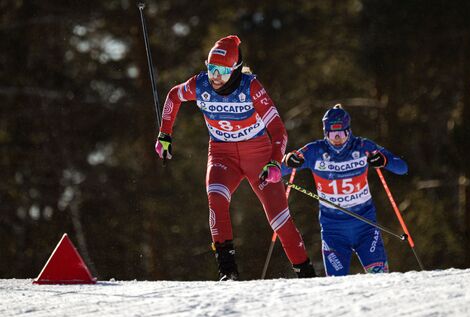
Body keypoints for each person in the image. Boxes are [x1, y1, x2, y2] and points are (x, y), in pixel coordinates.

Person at [155, 35, 316, 280]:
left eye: (222, 70)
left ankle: (306, 272)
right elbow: (173, 96)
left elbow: (278, 130)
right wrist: (164, 134)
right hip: (222, 154)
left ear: (236, 69)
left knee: (278, 218)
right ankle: (227, 271)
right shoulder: (200, 85)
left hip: (259, 156)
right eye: (211, 68)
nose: (215, 76)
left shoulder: (251, 87)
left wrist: (274, 160)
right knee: (216, 199)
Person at [282, 104, 408, 276]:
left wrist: (384, 160)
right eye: (333, 135)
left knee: (380, 279)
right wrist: (288, 159)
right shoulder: (315, 151)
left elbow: (402, 168)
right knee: (337, 286)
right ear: (325, 134)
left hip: (366, 227)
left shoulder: (363, 147)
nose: (338, 140)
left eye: (342, 134)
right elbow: (278, 170)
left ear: (349, 131)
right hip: (333, 232)